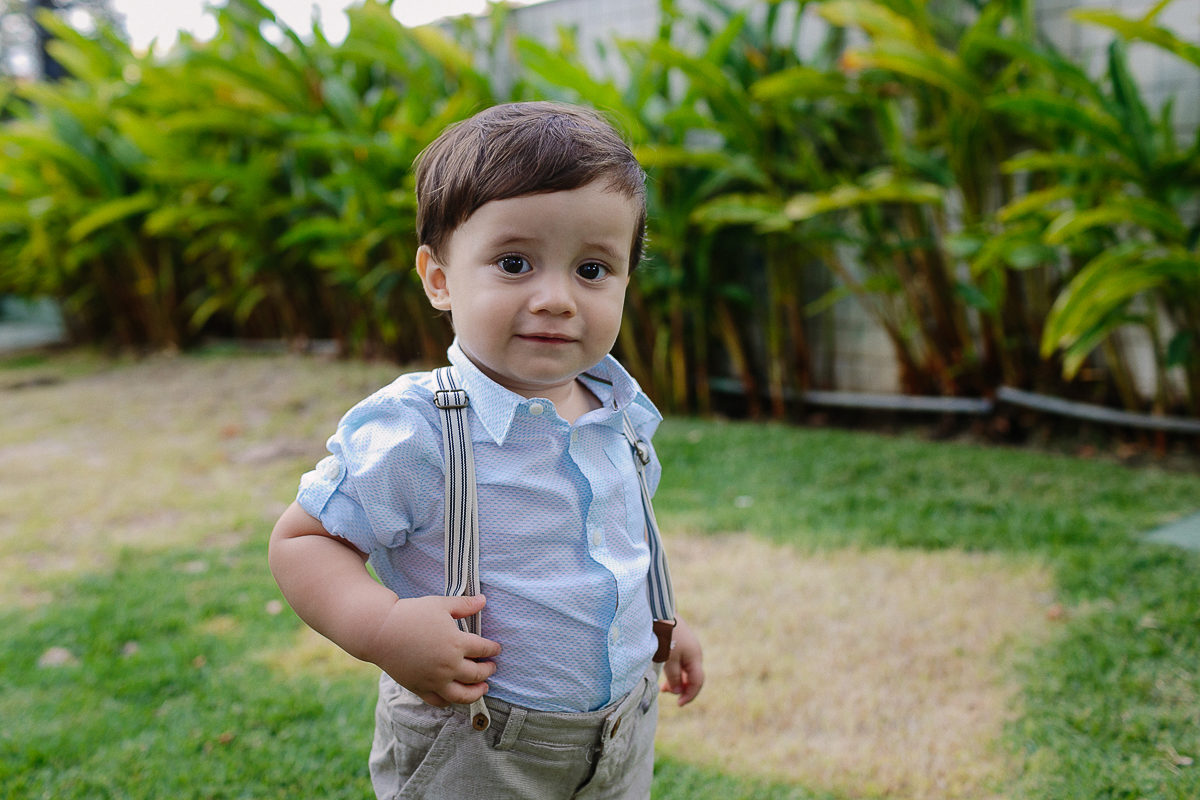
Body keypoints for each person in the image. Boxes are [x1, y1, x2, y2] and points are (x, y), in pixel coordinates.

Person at [268, 101, 704, 800]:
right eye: (514, 262)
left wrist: (658, 625)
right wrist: (382, 627)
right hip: (477, 741)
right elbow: (303, 540)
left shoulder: (619, 410)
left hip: (622, 730)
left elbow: (616, 544)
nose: (557, 298)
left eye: (593, 270)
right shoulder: (418, 429)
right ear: (439, 279)